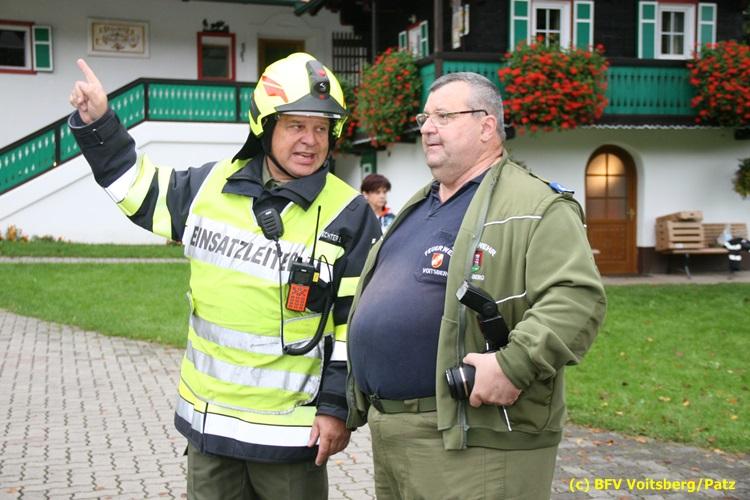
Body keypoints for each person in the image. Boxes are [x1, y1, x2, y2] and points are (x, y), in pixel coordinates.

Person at [68, 53, 381, 499]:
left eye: (321, 128)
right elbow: (136, 190)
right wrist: (100, 123)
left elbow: (356, 328)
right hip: (209, 429)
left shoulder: (350, 214)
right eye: (296, 125)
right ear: (264, 126)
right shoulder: (209, 186)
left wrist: (336, 410)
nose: (311, 141)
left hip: (291, 440)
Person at [346, 72, 607, 499]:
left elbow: (577, 298)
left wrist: (513, 365)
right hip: (392, 433)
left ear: (487, 126)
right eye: (425, 118)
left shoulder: (537, 205)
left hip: (474, 445)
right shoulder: (422, 204)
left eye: (444, 116)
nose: (427, 128)